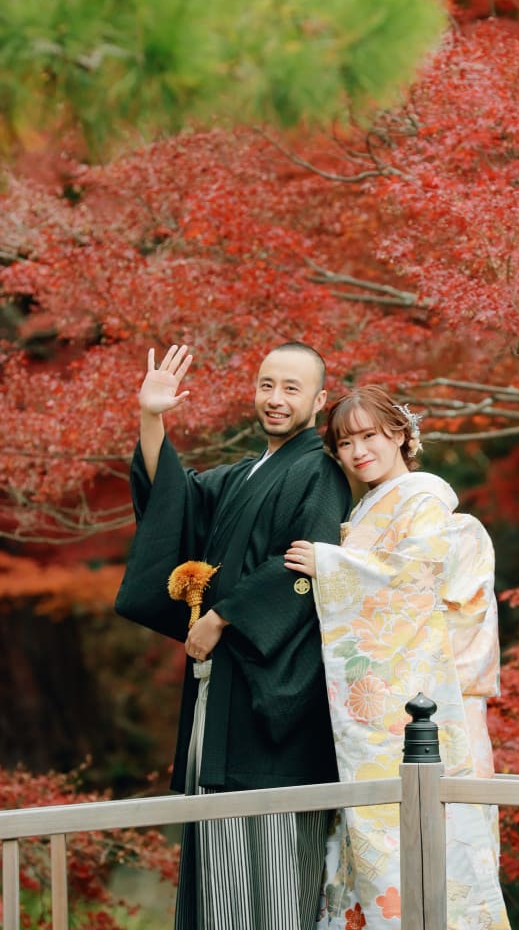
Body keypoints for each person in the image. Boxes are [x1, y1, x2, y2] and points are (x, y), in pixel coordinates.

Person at [115, 342, 352, 930]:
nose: (275, 399)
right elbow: (175, 500)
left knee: (273, 869)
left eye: (292, 388)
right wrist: (152, 417)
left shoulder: (319, 470)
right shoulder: (244, 474)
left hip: (275, 695)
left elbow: (304, 564)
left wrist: (223, 618)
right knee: (217, 858)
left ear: (320, 400)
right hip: (219, 692)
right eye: (267, 384)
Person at [284, 385, 511, 930]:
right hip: (387, 704)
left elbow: (418, 577)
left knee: (435, 839)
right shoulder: (368, 505)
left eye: (370, 436)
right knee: (376, 836)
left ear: (402, 436)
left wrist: (332, 565)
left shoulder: (423, 496)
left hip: (429, 700)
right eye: (345, 442)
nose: (359, 451)